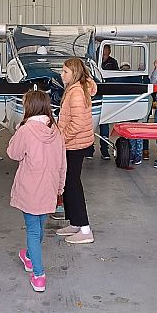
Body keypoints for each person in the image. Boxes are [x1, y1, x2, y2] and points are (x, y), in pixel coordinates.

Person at [6, 90, 66, 292]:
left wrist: (17, 131)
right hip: (50, 186)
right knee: (39, 227)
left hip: (30, 187)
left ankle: (39, 275)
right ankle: (30, 256)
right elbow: (63, 163)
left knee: (33, 230)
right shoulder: (56, 130)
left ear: (28, 107)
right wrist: (60, 187)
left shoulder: (25, 130)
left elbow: (13, 153)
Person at [56, 57, 96, 244]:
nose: (61, 74)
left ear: (75, 73)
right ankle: (75, 223)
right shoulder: (75, 89)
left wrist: (61, 138)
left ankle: (85, 229)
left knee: (72, 185)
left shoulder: (77, 92)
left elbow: (78, 124)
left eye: (65, 71)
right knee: (68, 183)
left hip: (74, 145)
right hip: (72, 143)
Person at [98, 45, 119, 160]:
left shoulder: (113, 62)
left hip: (106, 96)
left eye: (105, 54)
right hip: (94, 96)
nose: (103, 56)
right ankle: (89, 150)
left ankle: (104, 149)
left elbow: (115, 78)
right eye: (102, 53)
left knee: (104, 124)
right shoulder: (92, 61)